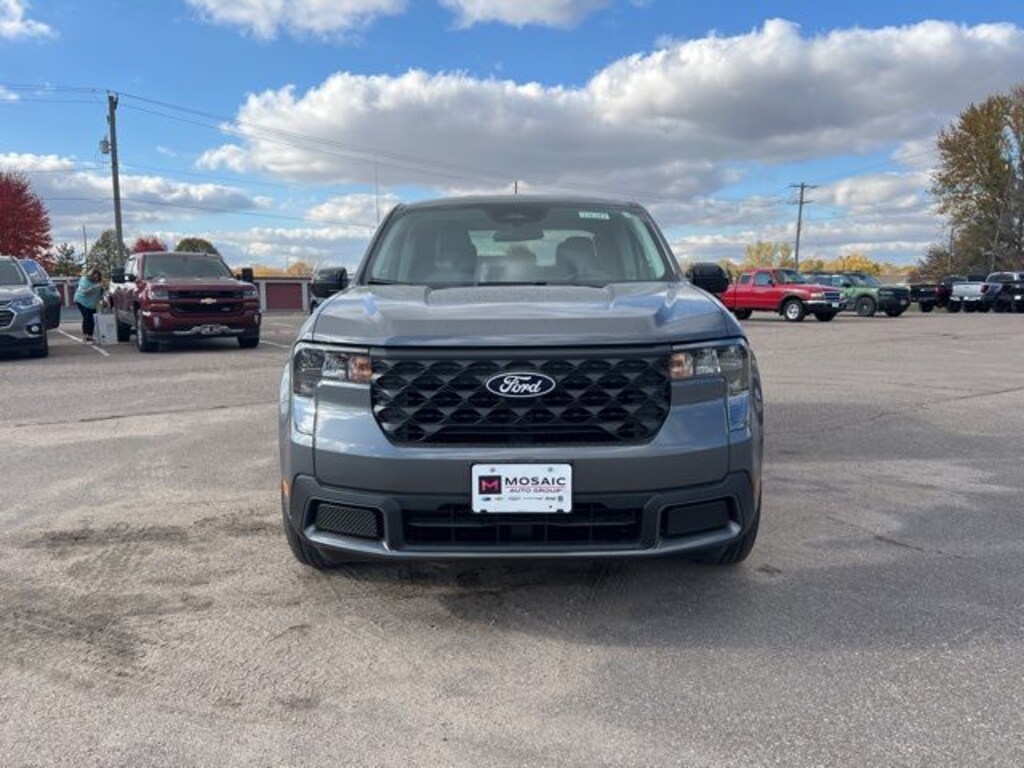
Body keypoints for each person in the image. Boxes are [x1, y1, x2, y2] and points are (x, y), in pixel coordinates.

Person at [74, 268, 104, 343]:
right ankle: (85, 336)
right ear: (91, 276)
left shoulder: (99, 283)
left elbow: (100, 294)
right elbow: (84, 291)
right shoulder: (84, 280)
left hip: (92, 303)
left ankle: (90, 336)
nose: (96, 278)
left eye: (97, 277)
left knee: (92, 318)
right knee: (87, 317)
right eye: (94, 277)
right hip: (81, 301)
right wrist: (93, 288)